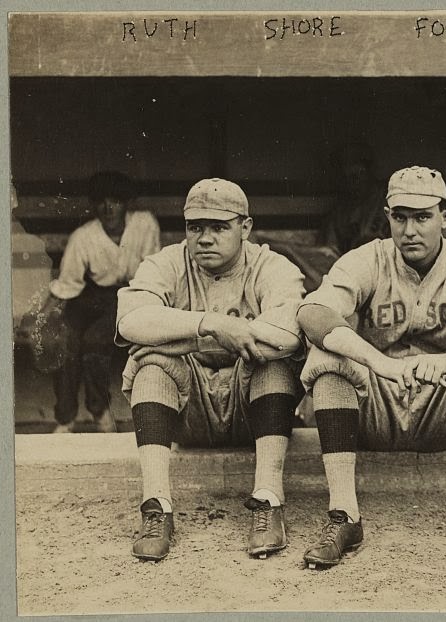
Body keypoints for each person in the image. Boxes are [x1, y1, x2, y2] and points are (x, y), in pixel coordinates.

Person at [297, 165, 446, 569]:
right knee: (326, 358)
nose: (410, 229)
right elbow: (313, 313)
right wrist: (378, 362)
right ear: (387, 216)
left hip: (444, 409)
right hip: (376, 411)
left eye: (423, 217)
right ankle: (344, 515)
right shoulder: (368, 259)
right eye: (400, 216)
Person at [115, 178, 306, 562]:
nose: (204, 238)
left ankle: (269, 500)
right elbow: (130, 322)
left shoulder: (272, 266)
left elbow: (286, 336)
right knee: (149, 363)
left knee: (273, 363)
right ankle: (157, 506)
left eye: (219, 227)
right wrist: (212, 325)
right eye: (195, 226)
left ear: (246, 228)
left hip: (251, 409)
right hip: (189, 410)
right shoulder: (165, 262)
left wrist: (177, 334)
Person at [42, 172, 160, 433]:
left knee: (95, 341)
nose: (108, 208)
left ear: (126, 203)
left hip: (130, 295)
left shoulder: (144, 224)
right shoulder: (83, 237)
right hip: (90, 296)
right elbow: (67, 285)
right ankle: (65, 418)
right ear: (93, 205)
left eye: (115, 201)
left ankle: (99, 410)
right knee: (63, 339)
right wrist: (42, 317)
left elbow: (153, 270)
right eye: (101, 202)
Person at [318, 142, 389, 256]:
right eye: (347, 178)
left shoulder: (388, 198)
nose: (354, 183)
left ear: (370, 170)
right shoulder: (340, 211)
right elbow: (327, 251)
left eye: (357, 175)